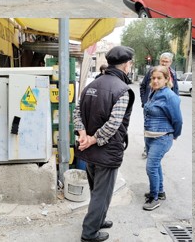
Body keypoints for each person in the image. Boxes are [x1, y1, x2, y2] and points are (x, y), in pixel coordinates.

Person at [74, 46, 135, 242]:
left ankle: (98, 219)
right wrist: (91, 139)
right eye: (130, 63)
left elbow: (77, 112)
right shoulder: (122, 90)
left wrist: (83, 134)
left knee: (96, 190)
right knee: (102, 193)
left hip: (90, 150)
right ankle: (89, 234)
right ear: (126, 65)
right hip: (106, 151)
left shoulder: (91, 85)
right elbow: (113, 125)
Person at [142, 65, 182, 211]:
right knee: (156, 165)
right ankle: (160, 191)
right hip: (150, 136)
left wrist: (175, 135)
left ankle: (154, 198)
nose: (155, 81)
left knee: (151, 167)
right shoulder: (153, 92)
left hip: (162, 137)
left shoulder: (170, 96)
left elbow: (178, 119)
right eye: (153, 78)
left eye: (159, 78)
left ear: (166, 79)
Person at [139, 52, 179, 158]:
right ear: (159, 61)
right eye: (163, 61)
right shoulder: (152, 71)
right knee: (149, 126)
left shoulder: (173, 74)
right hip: (150, 106)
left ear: (170, 62)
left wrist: (176, 103)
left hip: (166, 107)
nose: (164, 63)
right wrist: (144, 101)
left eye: (167, 61)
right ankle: (147, 149)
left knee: (163, 127)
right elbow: (143, 86)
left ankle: (158, 148)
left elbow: (176, 90)